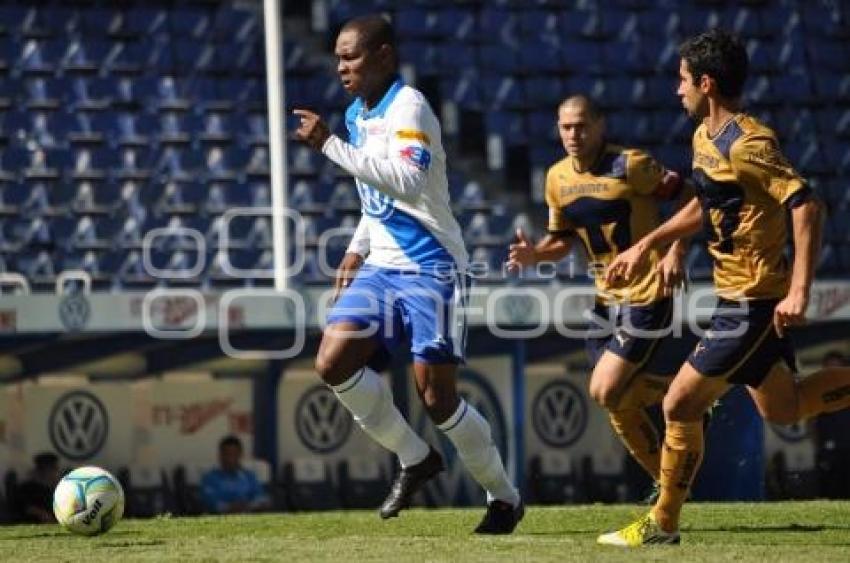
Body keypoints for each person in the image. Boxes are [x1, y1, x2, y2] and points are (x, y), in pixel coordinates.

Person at [599, 29, 850, 547]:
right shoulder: (701, 139)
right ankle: (663, 522)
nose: (677, 90)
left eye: (683, 80)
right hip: (734, 298)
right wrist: (655, 244)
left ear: (706, 84)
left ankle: (662, 523)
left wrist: (799, 288)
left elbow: (806, 204)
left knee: (679, 405)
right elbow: (707, 206)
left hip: (754, 303)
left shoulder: (749, 143)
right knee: (785, 407)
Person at [293, 14, 523, 534]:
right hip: (382, 266)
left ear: (383, 56)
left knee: (437, 398)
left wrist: (330, 145)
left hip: (431, 266)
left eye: (351, 56)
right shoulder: (356, 114)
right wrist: (358, 246)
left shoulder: (409, 105)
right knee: (332, 360)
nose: (341, 66)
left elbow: (409, 178)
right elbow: (377, 200)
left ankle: (504, 498)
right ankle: (416, 458)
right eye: (337, 57)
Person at [506, 94, 691, 498]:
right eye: (565, 126)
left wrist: (676, 251)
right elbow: (562, 241)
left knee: (605, 389)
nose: (573, 134)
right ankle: (669, 482)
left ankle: (693, 391)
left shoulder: (631, 165)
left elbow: (691, 196)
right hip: (606, 300)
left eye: (581, 125)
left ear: (600, 125)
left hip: (648, 293)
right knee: (615, 400)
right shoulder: (556, 177)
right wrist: (536, 254)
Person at [200, 435, 271, 514]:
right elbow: (209, 501)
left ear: (240, 455)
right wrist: (229, 507)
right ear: (220, 455)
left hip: (248, 518)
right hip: (220, 519)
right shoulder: (210, 478)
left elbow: (260, 496)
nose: (230, 459)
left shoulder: (249, 476)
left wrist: (250, 505)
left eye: (234, 454)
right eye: (226, 454)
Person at [814, 351, 850, 499]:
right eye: (828, 369)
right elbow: (813, 421)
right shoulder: (819, 391)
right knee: (832, 490)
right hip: (830, 449)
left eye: (835, 368)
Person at [12, 452, 60, 524]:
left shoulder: (58, 489)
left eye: (55, 469)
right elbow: (26, 507)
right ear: (41, 470)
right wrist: (42, 514)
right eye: (51, 469)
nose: (55, 472)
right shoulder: (27, 488)